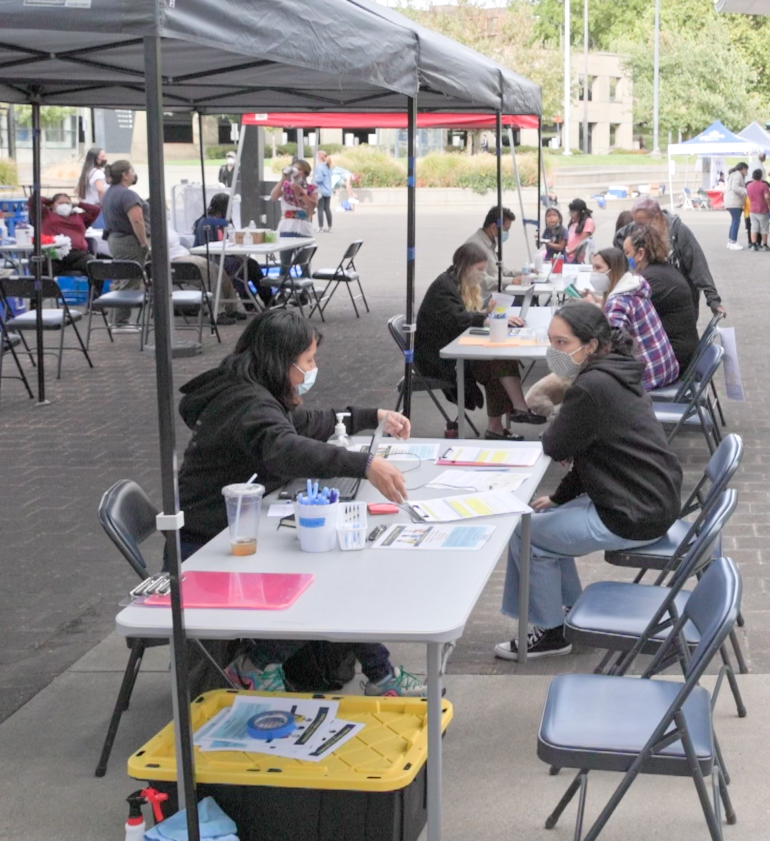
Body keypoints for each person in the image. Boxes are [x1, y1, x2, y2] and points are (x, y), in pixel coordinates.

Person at [176, 310, 424, 695]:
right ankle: (264, 663)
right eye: (308, 360)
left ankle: (379, 675)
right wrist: (364, 464)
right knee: (332, 578)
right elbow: (286, 447)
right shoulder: (247, 403)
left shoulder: (251, 389)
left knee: (336, 567)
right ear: (282, 361)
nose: (313, 368)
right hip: (209, 542)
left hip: (230, 528)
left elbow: (304, 424)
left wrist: (370, 416)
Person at [495, 303, 683, 659]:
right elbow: (590, 452)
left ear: (592, 345)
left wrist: (566, 447)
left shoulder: (591, 386)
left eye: (562, 343)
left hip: (633, 512)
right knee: (540, 523)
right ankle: (567, 612)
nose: (555, 353)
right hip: (648, 498)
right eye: (551, 342)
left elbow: (556, 444)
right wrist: (561, 497)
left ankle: (551, 631)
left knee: (525, 532)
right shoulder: (618, 372)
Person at [415, 242, 537, 439]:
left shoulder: (454, 282)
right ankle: (514, 412)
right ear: (466, 266)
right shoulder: (444, 288)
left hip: (452, 349)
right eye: (479, 270)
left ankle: (503, 422)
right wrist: (489, 319)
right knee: (496, 361)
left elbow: (461, 318)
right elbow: (458, 319)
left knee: (498, 359)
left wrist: (486, 314)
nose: (482, 275)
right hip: (438, 361)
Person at [591, 245, 679, 391]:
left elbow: (611, 348)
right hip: (664, 368)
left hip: (648, 377)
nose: (593, 273)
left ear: (614, 271)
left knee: (590, 376)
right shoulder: (633, 287)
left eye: (598, 268)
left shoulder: (618, 302)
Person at [625, 221, 698, 373]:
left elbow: (626, 314)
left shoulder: (649, 279)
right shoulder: (663, 270)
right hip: (680, 351)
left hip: (673, 358)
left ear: (640, 254)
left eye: (627, 253)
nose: (625, 258)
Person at [631, 198, 724, 317]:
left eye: (642, 224)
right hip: (656, 303)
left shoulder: (679, 232)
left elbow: (698, 266)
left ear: (657, 217)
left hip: (681, 305)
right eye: (636, 224)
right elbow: (620, 236)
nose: (639, 229)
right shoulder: (640, 231)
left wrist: (713, 301)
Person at [193, 192, 272, 309]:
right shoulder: (206, 222)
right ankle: (250, 304)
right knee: (237, 268)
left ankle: (269, 300)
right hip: (211, 257)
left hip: (225, 255)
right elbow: (208, 247)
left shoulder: (223, 221)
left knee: (252, 264)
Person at [99, 159, 149, 274]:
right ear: (124, 175)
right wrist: (143, 243)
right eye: (132, 171)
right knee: (131, 282)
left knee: (122, 280)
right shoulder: (128, 195)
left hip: (115, 241)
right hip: (129, 243)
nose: (134, 174)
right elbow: (137, 220)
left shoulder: (109, 193)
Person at [37, 190, 101, 274]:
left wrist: (78, 204)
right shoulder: (45, 215)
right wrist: (49, 201)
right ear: (52, 205)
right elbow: (33, 201)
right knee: (39, 267)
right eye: (60, 203)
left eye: (67, 203)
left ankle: (94, 287)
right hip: (53, 255)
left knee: (96, 268)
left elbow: (96, 210)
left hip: (78, 255)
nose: (64, 205)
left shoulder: (79, 217)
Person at [466, 205, 516, 293]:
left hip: (496, 293)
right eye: (506, 229)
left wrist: (522, 273)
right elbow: (484, 282)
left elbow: (501, 270)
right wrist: (512, 281)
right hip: (484, 300)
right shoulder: (475, 246)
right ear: (493, 227)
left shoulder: (491, 243)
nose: (507, 233)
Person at [272, 158, 317, 238]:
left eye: (299, 169)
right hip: (286, 226)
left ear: (305, 173)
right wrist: (283, 179)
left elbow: (312, 206)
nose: (295, 172)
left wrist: (301, 192)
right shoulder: (285, 186)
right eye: (294, 169)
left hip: (304, 227)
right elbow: (273, 197)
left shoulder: (311, 188)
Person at [745, 169, 770, 251]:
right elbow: (767, 196)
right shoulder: (764, 185)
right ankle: (765, 245)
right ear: (761, 176)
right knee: (764, 227)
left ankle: (753, 245)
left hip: (752, 209)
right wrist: (769, 205)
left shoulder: (749, 185)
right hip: (762, 209)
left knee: (754, 227)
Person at [723, 162, 748, 250]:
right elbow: (735, 187)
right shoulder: (738, 175)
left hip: (731, 202)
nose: (746, 172)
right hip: (735, 202)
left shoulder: (733, 175)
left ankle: (730, 241)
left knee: (734, 221)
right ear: (743, 168)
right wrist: (745, 190)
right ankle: (733, 241)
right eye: (746, 169)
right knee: (736, 222)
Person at [311, 150, 335, 232]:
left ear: (319, 157)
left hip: (321, 191)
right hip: (328, 191)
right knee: (327, 208)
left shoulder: (319, 167)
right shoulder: (327, 167)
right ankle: (330, 226)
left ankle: (320, 226)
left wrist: (313, 179)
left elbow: (319, 179)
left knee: (320, 209)